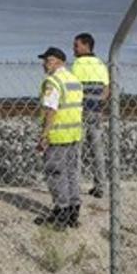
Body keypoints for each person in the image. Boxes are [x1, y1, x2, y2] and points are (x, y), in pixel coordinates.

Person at [34, 47, 83, 230]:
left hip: (58, 135)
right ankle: (73, 212)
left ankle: (61, 212)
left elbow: (50, 110)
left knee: (55, 174)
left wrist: (44, 135)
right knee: (71, 173)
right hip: (74, 135)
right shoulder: (74, 81)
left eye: (46, 60)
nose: (43, 64)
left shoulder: (53, 81)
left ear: (56, 61)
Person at [70, 32, 110, 198]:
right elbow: (107, 89)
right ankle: (100, 186)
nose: (74, 48)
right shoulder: (101, 64)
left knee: (76, 150)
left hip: (79, 111)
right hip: (95, 111)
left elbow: (72, 88)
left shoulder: (77, 64)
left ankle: (75, 187)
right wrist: (99, 105)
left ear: (86, 46)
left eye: (76, 45)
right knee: (97, 149)